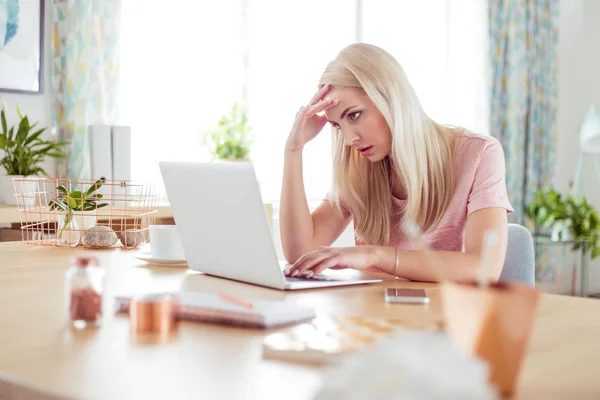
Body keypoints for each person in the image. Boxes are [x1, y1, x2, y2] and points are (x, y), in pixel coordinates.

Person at [279, 43, 513, 283]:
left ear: (389, 98)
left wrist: (374, 255)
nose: (349, 140)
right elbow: (300, 253)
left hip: (444, 315)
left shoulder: (479, 154)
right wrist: (293, 151)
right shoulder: (359, 168)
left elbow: (484, 269)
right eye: (337, 126)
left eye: (354, 115)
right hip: (377, 317)